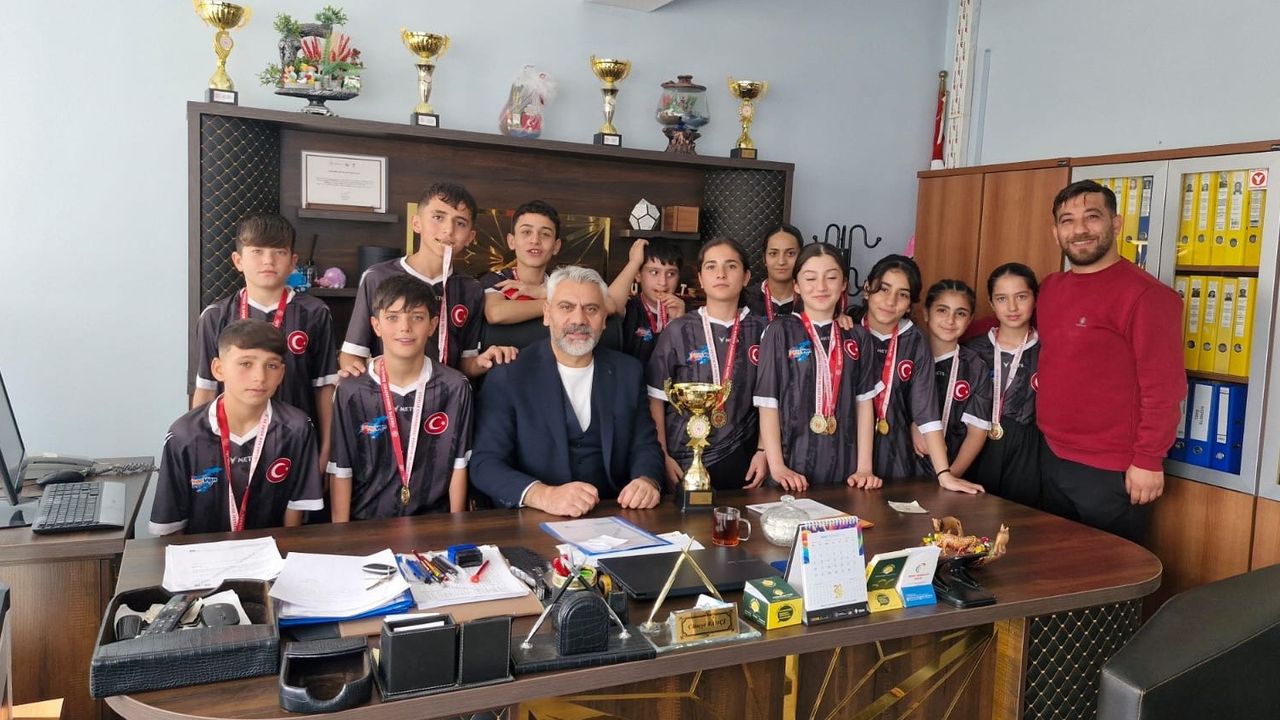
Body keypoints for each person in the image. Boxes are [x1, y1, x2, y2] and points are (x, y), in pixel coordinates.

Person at [1037, 179, 1185, 542]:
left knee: (1110, 571)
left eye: (1092, 217)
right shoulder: (1052, 288)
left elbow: (1163, 388)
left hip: (1112, 470)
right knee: (1054, 563)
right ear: (1056, 233)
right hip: (1051, 455)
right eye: (1067, 221)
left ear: (1116, 224)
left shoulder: (1147, 296)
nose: (1079, 230)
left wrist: (1148, 459)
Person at [470, 265, 664, 516]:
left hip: (615, 512)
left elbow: (645, 445)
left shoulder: (628, 372)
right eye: (566, 307)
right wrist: (544, 495)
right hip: (534, 518)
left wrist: (647, 480)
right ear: (547, 314)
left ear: (604, 319)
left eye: (591, 309)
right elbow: (485, 464)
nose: (579, 320)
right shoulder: (508, 376)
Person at [191, 214, 338, 470]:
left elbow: (324, 387)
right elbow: (206, 389)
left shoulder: (315, 313)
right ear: (238, 260)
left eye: (279, 252)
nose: (268, 261)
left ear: (293, 262)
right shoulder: (215, 316)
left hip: (298, 444)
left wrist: (326, 450)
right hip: (231, 447)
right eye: (257, 251)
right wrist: (200, 449)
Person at [151, 320, 323, 535]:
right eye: (246, 364)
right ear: (218, 369)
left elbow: (295, 509)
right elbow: (171, 526)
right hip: (202, 552)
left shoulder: (297, 428)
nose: (260, 377)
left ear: (281, 373)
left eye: (271, 366)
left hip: (273, 550)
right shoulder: (184, 435)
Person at [328, 275, 472, 521]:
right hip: (366, 522)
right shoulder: (351, 390)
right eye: (393, 317)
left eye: (417, 317)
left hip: (433, 523)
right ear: (376, 325)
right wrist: (341, 534)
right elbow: (341, 470)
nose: (405, 327)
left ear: (432, 325)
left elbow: (459, 465)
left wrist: (455, 529)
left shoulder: (455, 386)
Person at [338, 182, 516, 379]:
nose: (448, 230)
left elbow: (465, 363)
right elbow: (352, 353)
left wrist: (483, 361)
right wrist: (360, 379)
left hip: (447, 396)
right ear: (416, 223)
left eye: (460, 223)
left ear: (470, 237)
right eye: (438, 217)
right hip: (389, 394)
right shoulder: (378, 277)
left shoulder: (470, 289)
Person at [754, 243, 880, 490]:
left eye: (831, 277)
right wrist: (777, 467)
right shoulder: (779, 331)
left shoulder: (857, 336)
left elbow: (864, 403)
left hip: (846, 469)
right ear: (797, 285)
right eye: (810, 278)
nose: (821, 287)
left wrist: (865, 468)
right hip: (791, 467)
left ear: (843, 284)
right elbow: (768, 403)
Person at [647, 238, 769, 490]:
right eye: (711, 266)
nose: (721, 274)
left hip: (744, 457)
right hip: (681, 457)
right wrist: (662, 454)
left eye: (731, 266)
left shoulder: (764, 330)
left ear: (746, 277)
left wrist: (764, 450)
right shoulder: (679, 330)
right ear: (701, 278)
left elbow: (771, 400)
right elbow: (656, 397)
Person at [860, 254, 984, 493]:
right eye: (884, 289)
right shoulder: (846, 330)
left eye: (903, 294)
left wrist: (944, 474)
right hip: (842, 448)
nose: (890, 301)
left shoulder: (916, 341)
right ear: (867, 288)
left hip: (896, 453)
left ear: (911, 304)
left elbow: (926, 411)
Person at [965, 264, 1042, 506]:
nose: (1012, 307)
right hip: (975, 446)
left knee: (1020, 520)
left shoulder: (1047, 351)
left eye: (1021, 297)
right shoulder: (972, 350)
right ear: (991, 302)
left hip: (1027, 455)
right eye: (1002, 298)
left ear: (1035, 298)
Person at [915, 279, 991, 480]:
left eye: (960, 313)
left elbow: (977, 433)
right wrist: (912, 425)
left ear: (969, 320)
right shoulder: (907, 354)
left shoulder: (975, 367)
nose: (950, 320)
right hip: (897, 465)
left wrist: (950, 476)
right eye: (942, 310)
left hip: (951, 469)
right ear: (926, 313)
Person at [481, 200, 562, 325]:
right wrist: (558, 304)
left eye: (545, 234)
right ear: (511, 241)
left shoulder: (562, 283)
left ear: (556, 246)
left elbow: (595, 301)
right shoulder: (497, 280)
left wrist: (545, 292)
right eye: (526, 232)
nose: (535, 240)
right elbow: (495, 313)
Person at [608, 239, 687, 365]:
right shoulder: (630, 308)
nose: (663, 282)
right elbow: (608, 305)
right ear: (638, 275)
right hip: (632, 377)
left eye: (671, 274)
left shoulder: (689, 314)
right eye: (654, 272)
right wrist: (634, 262)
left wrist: (678, 323)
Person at [742, 223, 803, 322]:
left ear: (801, 257)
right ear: (764, 258)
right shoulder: (745, 299)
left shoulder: (811, 298)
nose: (781, 261)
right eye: (773, 253)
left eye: (790, 253)